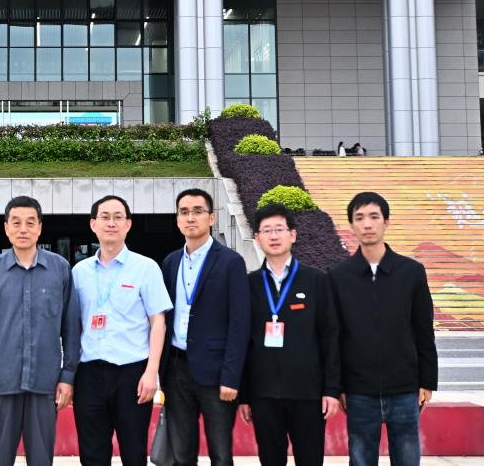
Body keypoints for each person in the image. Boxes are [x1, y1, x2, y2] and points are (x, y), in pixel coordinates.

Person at [328, 192, 437, 466]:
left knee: (407, 460)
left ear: (386, 222)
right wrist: (337, 386)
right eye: (359, 218)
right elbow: (334, 337)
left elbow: (423, 330)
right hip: (358, 391)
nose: (367, 224)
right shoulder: (338, 276)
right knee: (361, 460)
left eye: (374, 217)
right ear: (351, 225)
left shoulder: (411, 272)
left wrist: (427, 381)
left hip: (405, 389)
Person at [0, 196, 81, 466]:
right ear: (6, 228)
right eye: (16, 223)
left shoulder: (60, 269)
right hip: (1, 382)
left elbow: (70, 327)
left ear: (40, 228)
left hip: (45, 382)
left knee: (42, 459)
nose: (23, 229)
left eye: (30, 223)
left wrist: (68, 375)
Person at [71, 195, 172, 466]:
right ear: (93, 224)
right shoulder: (79, 272)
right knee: (92, 455)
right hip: (89, 373)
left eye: (118, 217)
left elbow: (158, 321)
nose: (111, 223)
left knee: (134, 453)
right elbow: (72, 325)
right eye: (104, 217)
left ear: (128, 224)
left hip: (132, 374)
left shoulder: (146, 268)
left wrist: (151, 372)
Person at [239, 203, 341, 466]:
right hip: (263, 393)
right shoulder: (248, 284)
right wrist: (245, 396)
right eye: (267, 230)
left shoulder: (316, 280)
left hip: (308, 393)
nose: (273, 236)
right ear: (257, 238)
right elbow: (243, 342)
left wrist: (331, 389)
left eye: (279, 229)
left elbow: (330, 337)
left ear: (292, 235)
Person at [159, 188, 250, 466]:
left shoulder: (231, 262)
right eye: (184, 212)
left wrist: (231, 378)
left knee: (220, 455)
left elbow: (240, 324)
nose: (190, 218)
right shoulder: (170, 262)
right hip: (176, 370)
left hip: (216, 373)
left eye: (198, 211)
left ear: (211, 218)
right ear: (177, 220)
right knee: (181, 455)